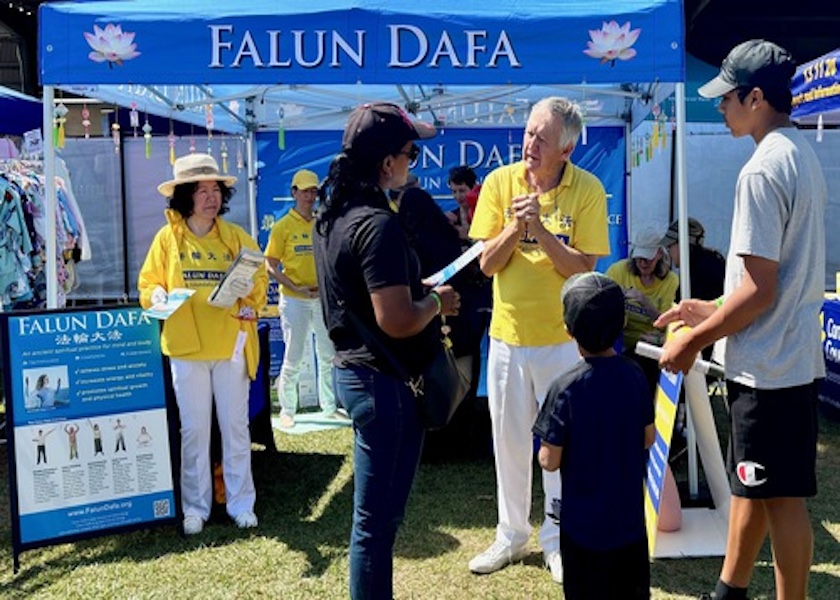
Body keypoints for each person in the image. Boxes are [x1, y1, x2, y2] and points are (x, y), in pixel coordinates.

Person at [655, 40, 825, 600]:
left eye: (727, 98)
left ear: (756, 98)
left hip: (767, 369)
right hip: (788, 357)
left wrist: (694, 340)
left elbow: (757, 291)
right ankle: (730, 591)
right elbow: (769, 285)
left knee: (780, 497)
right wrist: (708, 309)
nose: (721, 108)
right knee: (756, 485)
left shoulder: (761, 170)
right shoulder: (799, 154)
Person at [313, 102, 460, 599]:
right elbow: (395, 320)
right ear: (385, 162)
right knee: (375, 527)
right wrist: (436, 301)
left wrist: (414, 291)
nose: (413, 163)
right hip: (384, 383)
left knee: (375, 523)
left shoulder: (331, 216)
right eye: (410, 153)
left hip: (358, 374)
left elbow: (359, 294)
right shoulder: (377, 223)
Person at [467, 96, 610, 583]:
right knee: (507, 442)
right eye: (529, 132)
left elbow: (583, 267)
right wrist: (515, 225)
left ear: (566, 149)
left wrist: (541, 229)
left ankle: (557, 539)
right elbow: (486, 264)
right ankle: (510, 534)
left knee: (561, 446)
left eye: (542, 138)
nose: (530, 143)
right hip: (507, 337)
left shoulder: (587, 189)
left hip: (563, 343)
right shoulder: (498, 182)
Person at [138, 152, 268, 536]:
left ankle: (241, 502)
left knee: (235, 427)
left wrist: (250, 299)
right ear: (184, 196)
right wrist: (157, 296)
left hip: (230, 346)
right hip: (186, 349)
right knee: (194, 431)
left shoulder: (235, 237)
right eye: (202, 190)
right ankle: (195, 506)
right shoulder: (167, 238)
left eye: (216, 190)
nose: (211, 198)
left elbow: (257, 280)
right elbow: (149, 284)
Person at [533, 272, 654, 599]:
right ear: (622, 322)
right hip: (629, 526)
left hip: (582, 531)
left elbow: (549, 459)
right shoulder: (635, 375)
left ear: (568, 329)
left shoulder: (564, 388)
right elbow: (649, 437)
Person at [265, 168, 337, 428]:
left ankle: (330, 407)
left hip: (321, 298)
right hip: (295, 300)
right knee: (293, 356)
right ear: (294, 192)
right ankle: (287, 411)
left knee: (328, 353)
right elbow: (270, 265)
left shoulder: (322, 223)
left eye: (313, 190)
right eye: (305, 191)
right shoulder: (283, 226)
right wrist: (295, 287)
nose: (310, 196)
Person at [605, 227, 679, 391]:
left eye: (648, 259)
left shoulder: (671, 281)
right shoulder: (618, 271)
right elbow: (603, 304)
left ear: (659, 254)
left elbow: (667, 323)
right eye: (639, 258)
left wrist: (644, 302)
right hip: (622, 343)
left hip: (653, 344)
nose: (643, 264)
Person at [661, 217, 726, 303]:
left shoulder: (696, 272)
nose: (668, 251)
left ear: (683, 243)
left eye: (670, 246)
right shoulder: (713, 261)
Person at [447, 165, 480, 241]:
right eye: (454, 192)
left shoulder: (484, 213)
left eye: (462, 191)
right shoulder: (452, 218)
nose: (458, 196)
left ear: (474, 188)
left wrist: (468, 237)